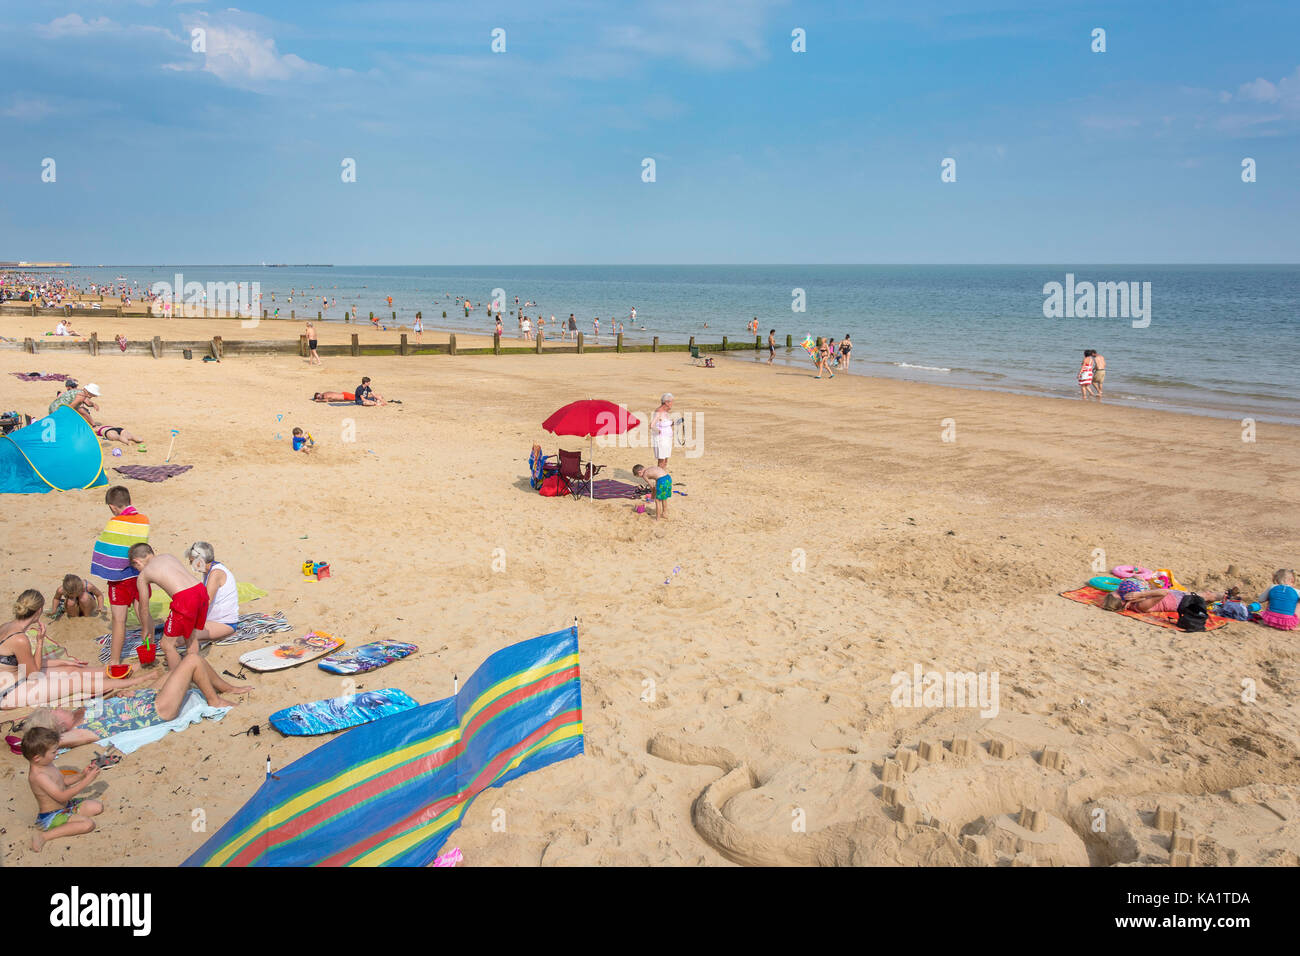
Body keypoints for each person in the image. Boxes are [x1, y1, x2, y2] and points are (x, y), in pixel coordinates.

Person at [1, 590, 152, 710]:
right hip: (9, 692)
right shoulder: (20, 639)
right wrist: (40, 642)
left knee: (72, 669)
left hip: (16, 677)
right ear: (39, 610)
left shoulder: (6, 627)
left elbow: (24, 663)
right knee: (76, 680)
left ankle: (125, 669)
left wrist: (62, 662)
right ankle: (138, 680)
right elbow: (32, 673)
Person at [91, 485, 152, 668]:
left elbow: (107, 549)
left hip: (120, 579)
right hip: (140, 575)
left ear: (112, 507)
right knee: (144, 612)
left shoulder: (113, 523)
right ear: (130, 501)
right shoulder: (143, 520)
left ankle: (114, 661)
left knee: (119, 619)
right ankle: (149, 651)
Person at [128, 544, 211, 669]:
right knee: (190, 636)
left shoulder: (143, 575)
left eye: (136, 568)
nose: (138, 571)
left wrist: (145, 628)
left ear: (137, 562)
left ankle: (177, 681)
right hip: (200, 591)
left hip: (184, 599)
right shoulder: (167, 556)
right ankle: (195, 669)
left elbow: (143, 608)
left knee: (166, 645)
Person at [23, 727, 103, 852]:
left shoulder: (46, 764)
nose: (57, 754)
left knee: (97, 807)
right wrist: (87, 781)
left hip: (66, 807)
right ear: (37, 758)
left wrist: (82, 775)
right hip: (52, 816)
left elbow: (63, 781)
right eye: (54, 752)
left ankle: (70, 817)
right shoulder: (39, 776)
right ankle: (44, 836)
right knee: (88, 824)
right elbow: (62, 796)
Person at [186, 541, 241, 642]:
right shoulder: (209, 571)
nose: (190, 565)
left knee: (182, 636)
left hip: (224, 623)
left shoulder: (215, 573)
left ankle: (226, 633)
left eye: (191, 561)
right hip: (214, 621)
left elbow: (205, 603)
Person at [650, 393, 675, 468]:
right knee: (661, 460)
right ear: (666, 402)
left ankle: (663, 477)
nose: (672, 404)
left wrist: (673, 423)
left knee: (666, 459)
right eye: (671, 402)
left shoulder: (666, 411)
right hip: (661, 439)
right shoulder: (659, 411)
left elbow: (664, 424)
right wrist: (658, 431)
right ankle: (659, 478)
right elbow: (652, 425)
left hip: (667, 439)